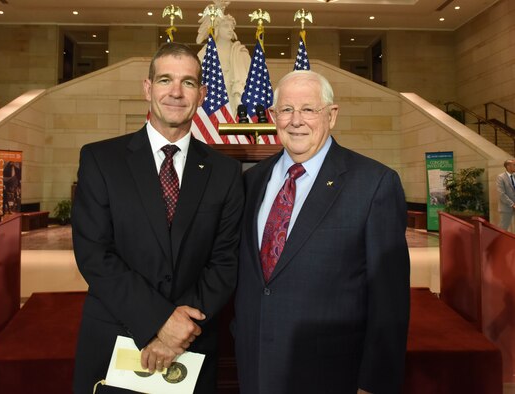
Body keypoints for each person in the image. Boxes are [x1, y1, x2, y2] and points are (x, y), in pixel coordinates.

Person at [71, 42, 244, 393]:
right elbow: (94, 255)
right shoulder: (101, 160)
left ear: (202, 93)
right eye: (165, 80)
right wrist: (158, 322)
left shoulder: (225, 172)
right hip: (117, 336)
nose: (176, 92)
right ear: (148, 88)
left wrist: (178, 331)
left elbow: (225, 261)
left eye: (188, 83)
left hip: (191, 342)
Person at [233, 70, 410, 394]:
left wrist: (374, 383)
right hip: (255, 367)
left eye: (308, 109)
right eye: (286, 110)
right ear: (273, 116)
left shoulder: (374, 184)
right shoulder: (251, 181)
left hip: (332, 375)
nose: (296, 120)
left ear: (331, 115)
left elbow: (390, 301)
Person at [197, 13, 250, 115]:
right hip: (213, 99)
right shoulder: (205, 53)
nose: (230, 29)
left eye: (232, 26)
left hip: (235, 97)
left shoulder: (240, 52)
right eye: (226, 26)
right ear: (216, 28)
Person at [496, 158, 515, 231]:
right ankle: (498, 242)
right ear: (508, 166)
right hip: (506, 208)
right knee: (503, 228)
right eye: (514, 165)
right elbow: (501, 194)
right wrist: (512, 204)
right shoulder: (501, 177)